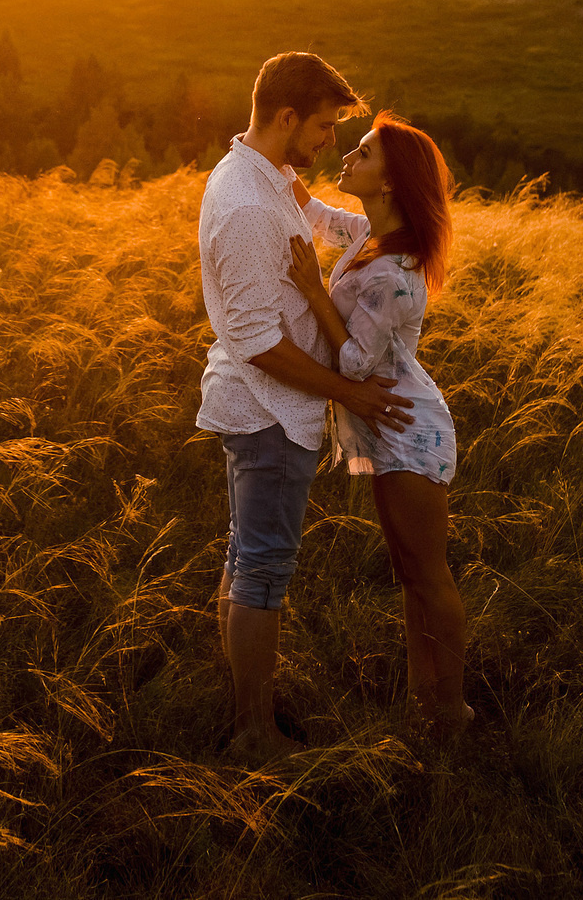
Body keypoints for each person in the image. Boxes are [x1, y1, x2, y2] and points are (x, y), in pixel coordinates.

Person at [197, 51, 414, 762]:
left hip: (262, 406)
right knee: (263, 569)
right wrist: (350, 391)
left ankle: (240, 702)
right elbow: (261, 341)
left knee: (245, 554)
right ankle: (252, 730)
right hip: (268, 410)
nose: (328, 141)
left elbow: (321, 224)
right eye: (322, 126)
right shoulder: (250, 206)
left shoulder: (265, 178)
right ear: (286, 117)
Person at [284, 111, 469, 742]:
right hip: (389, 421)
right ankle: (426, 702)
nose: (348, 158)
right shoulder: (370, 235)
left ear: (389, 184)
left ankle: (453, 709)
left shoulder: (397, 273)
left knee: (430, 574)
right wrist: (275, 157)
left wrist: (313, 291)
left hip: (408, 428)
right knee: (409, 572)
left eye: (361, 154)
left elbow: (357, 363)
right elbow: (318, 215)